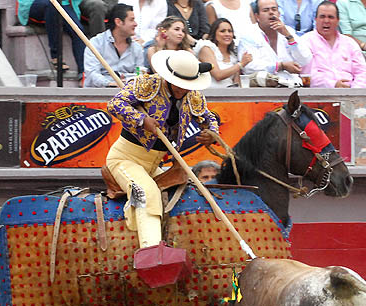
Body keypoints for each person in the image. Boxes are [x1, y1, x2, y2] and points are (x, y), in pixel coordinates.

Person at [105, 50, 219, 282]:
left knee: (184, 194)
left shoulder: (192, 96)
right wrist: (141, 120)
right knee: (146, 193)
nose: (182, 90)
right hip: (125, 159)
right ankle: (151, 255)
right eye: (177, 85)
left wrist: (212, 133)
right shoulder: (147, 85)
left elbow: (210, 117)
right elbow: (115, 104)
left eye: (186, 85)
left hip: (154, 163)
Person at [238, 0, 312, 86]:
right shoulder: (248, 35)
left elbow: (305, 59)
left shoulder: (288, 31)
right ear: (257, 16)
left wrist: (289, 37)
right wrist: (281, 66)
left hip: (291, 87)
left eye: (274, 9)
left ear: (279, 13)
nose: (271, 12)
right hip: (262, 89)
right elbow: (249, 66)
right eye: (266, 10)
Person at [299, 1, 366, 88]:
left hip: (351, 95)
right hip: (319, 96)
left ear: (338, 21)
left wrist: (354, 91)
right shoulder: (305, 41)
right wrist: (333, 85)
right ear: (315, 19)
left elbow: (362, 72)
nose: (326, 21)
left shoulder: (349, 43)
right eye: (322, 17)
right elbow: (307, 75)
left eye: (331, 17)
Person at [17, 0, 86, 75]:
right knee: (52, 6)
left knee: (78, 30)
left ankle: (83, 73)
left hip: (63, 4)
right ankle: (56, 56)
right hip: (35, 3)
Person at [84, 3, 144, 87]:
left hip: (127, 93)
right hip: (99, 94)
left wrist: (128, 81)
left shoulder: (137, 47)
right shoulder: (96, 43)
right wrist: (110, 84)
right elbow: (92, 74)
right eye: (131, 20)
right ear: (118, 22)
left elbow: (140, 73)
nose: (135, 24)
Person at [194, 18, 252, 87]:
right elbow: (218, 75)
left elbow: (236, 84)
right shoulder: (206, 48)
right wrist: (241, 64)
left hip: (229, 94)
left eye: (230, 31)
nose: (227, 34)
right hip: (210, 94)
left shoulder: (233, 55)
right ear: (214, 33)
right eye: (222, 31)